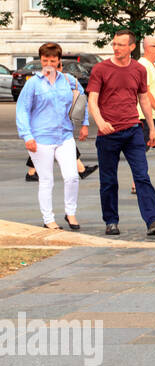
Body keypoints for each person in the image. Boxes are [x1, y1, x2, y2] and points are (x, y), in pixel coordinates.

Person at [88, 31, 155, 237]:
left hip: (133, 130)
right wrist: (100, 122)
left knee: (142, 176)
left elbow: (143, 99)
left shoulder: (138, 70)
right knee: (108, 180)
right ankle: (111, 221)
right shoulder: (100, 69)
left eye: (121, 45)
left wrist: (151, 127)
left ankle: (153, 220)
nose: (116, 48)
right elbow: (92, 101)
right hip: (108, 133)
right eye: (114, 44)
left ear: (132, 47)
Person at [16, 42, 89, 230]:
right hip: (40, 138)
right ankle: (48, 219)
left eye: (53, 60)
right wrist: (27, 136)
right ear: (40, 60)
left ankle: (70, 212)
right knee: (46, 180)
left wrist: (84, 124)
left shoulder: (69, 80)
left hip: (64, 135)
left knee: (72, 176)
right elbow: (22, 110)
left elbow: (82, 101)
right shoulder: (33, 83)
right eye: (45, 60)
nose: (49, 63)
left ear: (59, 61)